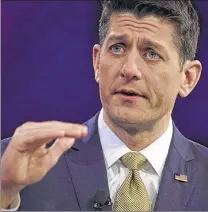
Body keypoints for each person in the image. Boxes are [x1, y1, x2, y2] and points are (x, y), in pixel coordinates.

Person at [1, 0, 208, 211]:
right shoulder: (14, 164)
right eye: (117, 48)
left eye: (152, 54)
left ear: (187, 78)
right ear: (97, 62)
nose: (129, 69)